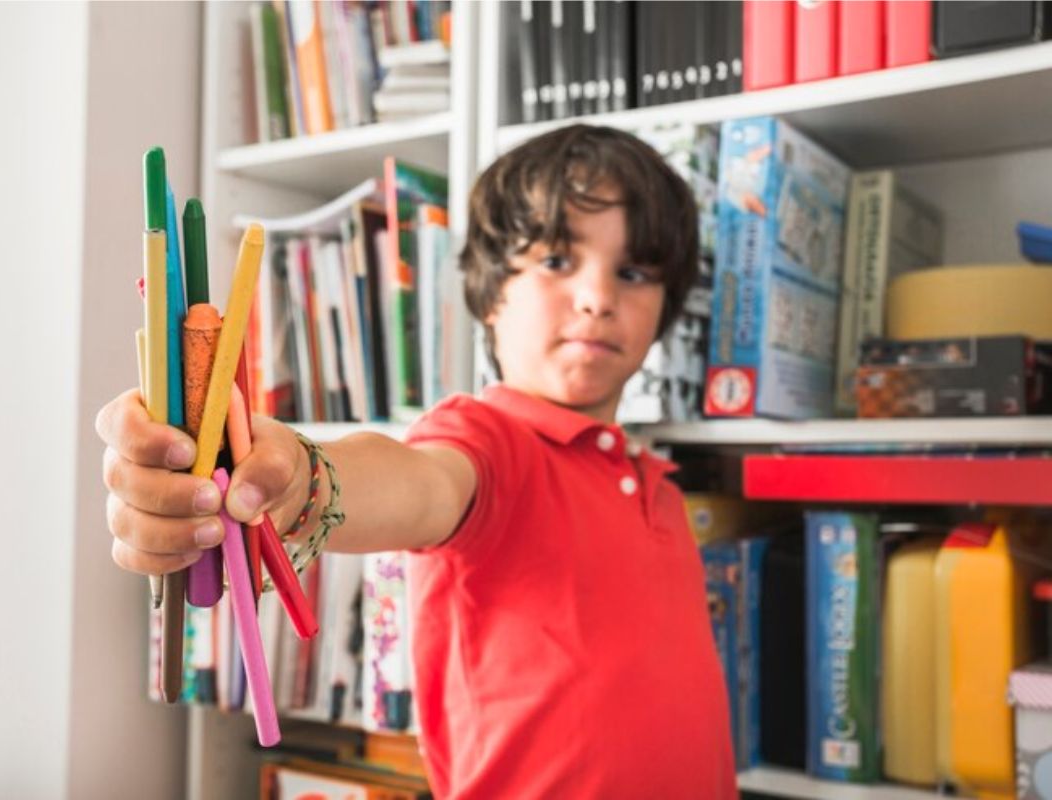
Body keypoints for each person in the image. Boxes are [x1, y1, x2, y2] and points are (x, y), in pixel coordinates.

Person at [96, 124, 736, 798]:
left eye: (633, 273)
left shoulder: (661, 486)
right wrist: (295, 474)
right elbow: (414, 481)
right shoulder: (488, 442)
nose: (598, 298)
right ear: (493, 291)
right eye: (556, 261)